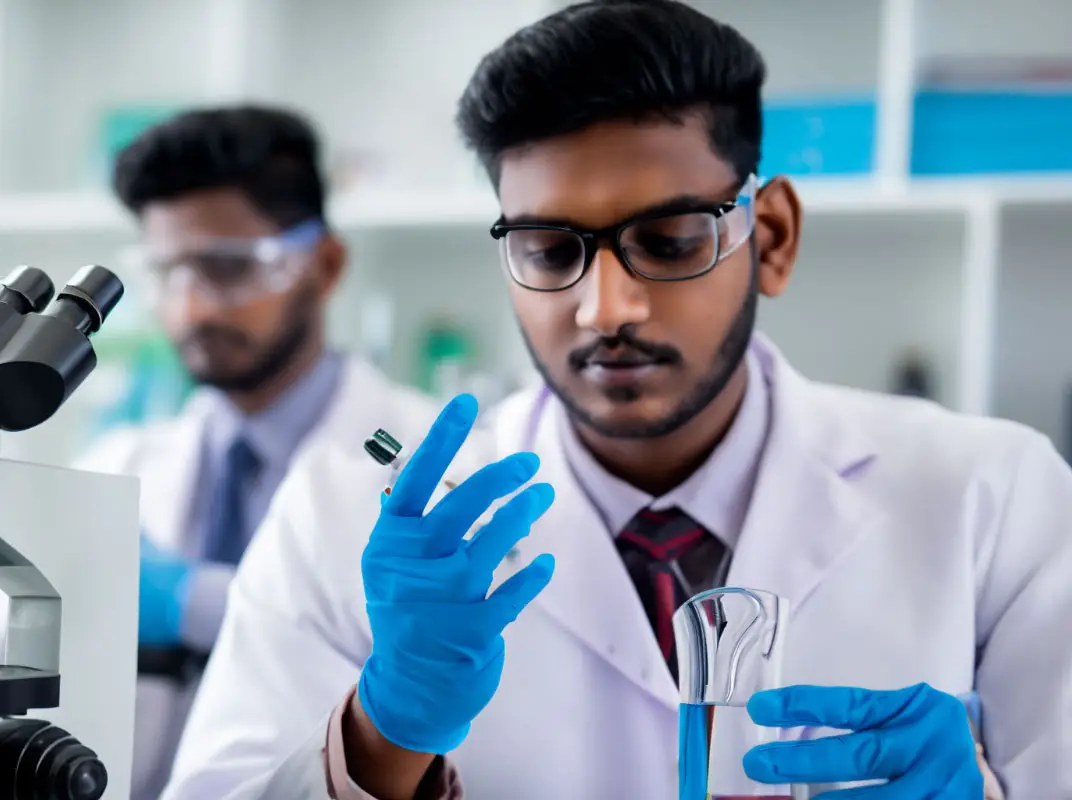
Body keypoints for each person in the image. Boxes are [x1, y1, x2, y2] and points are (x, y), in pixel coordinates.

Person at [163, 4, 1064, 799]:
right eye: (552, 251)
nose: (606, 308)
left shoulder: (997, 496)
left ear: (775, 237)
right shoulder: (339, 519)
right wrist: (379, 734)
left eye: (670, 241)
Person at [0, 106, 437, 800]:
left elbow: (422, 662)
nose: (191, 309)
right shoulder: (120, 463)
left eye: (227, 270)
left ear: (324, 264)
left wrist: (198, 601)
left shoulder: (428, 461)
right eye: (168, 272)